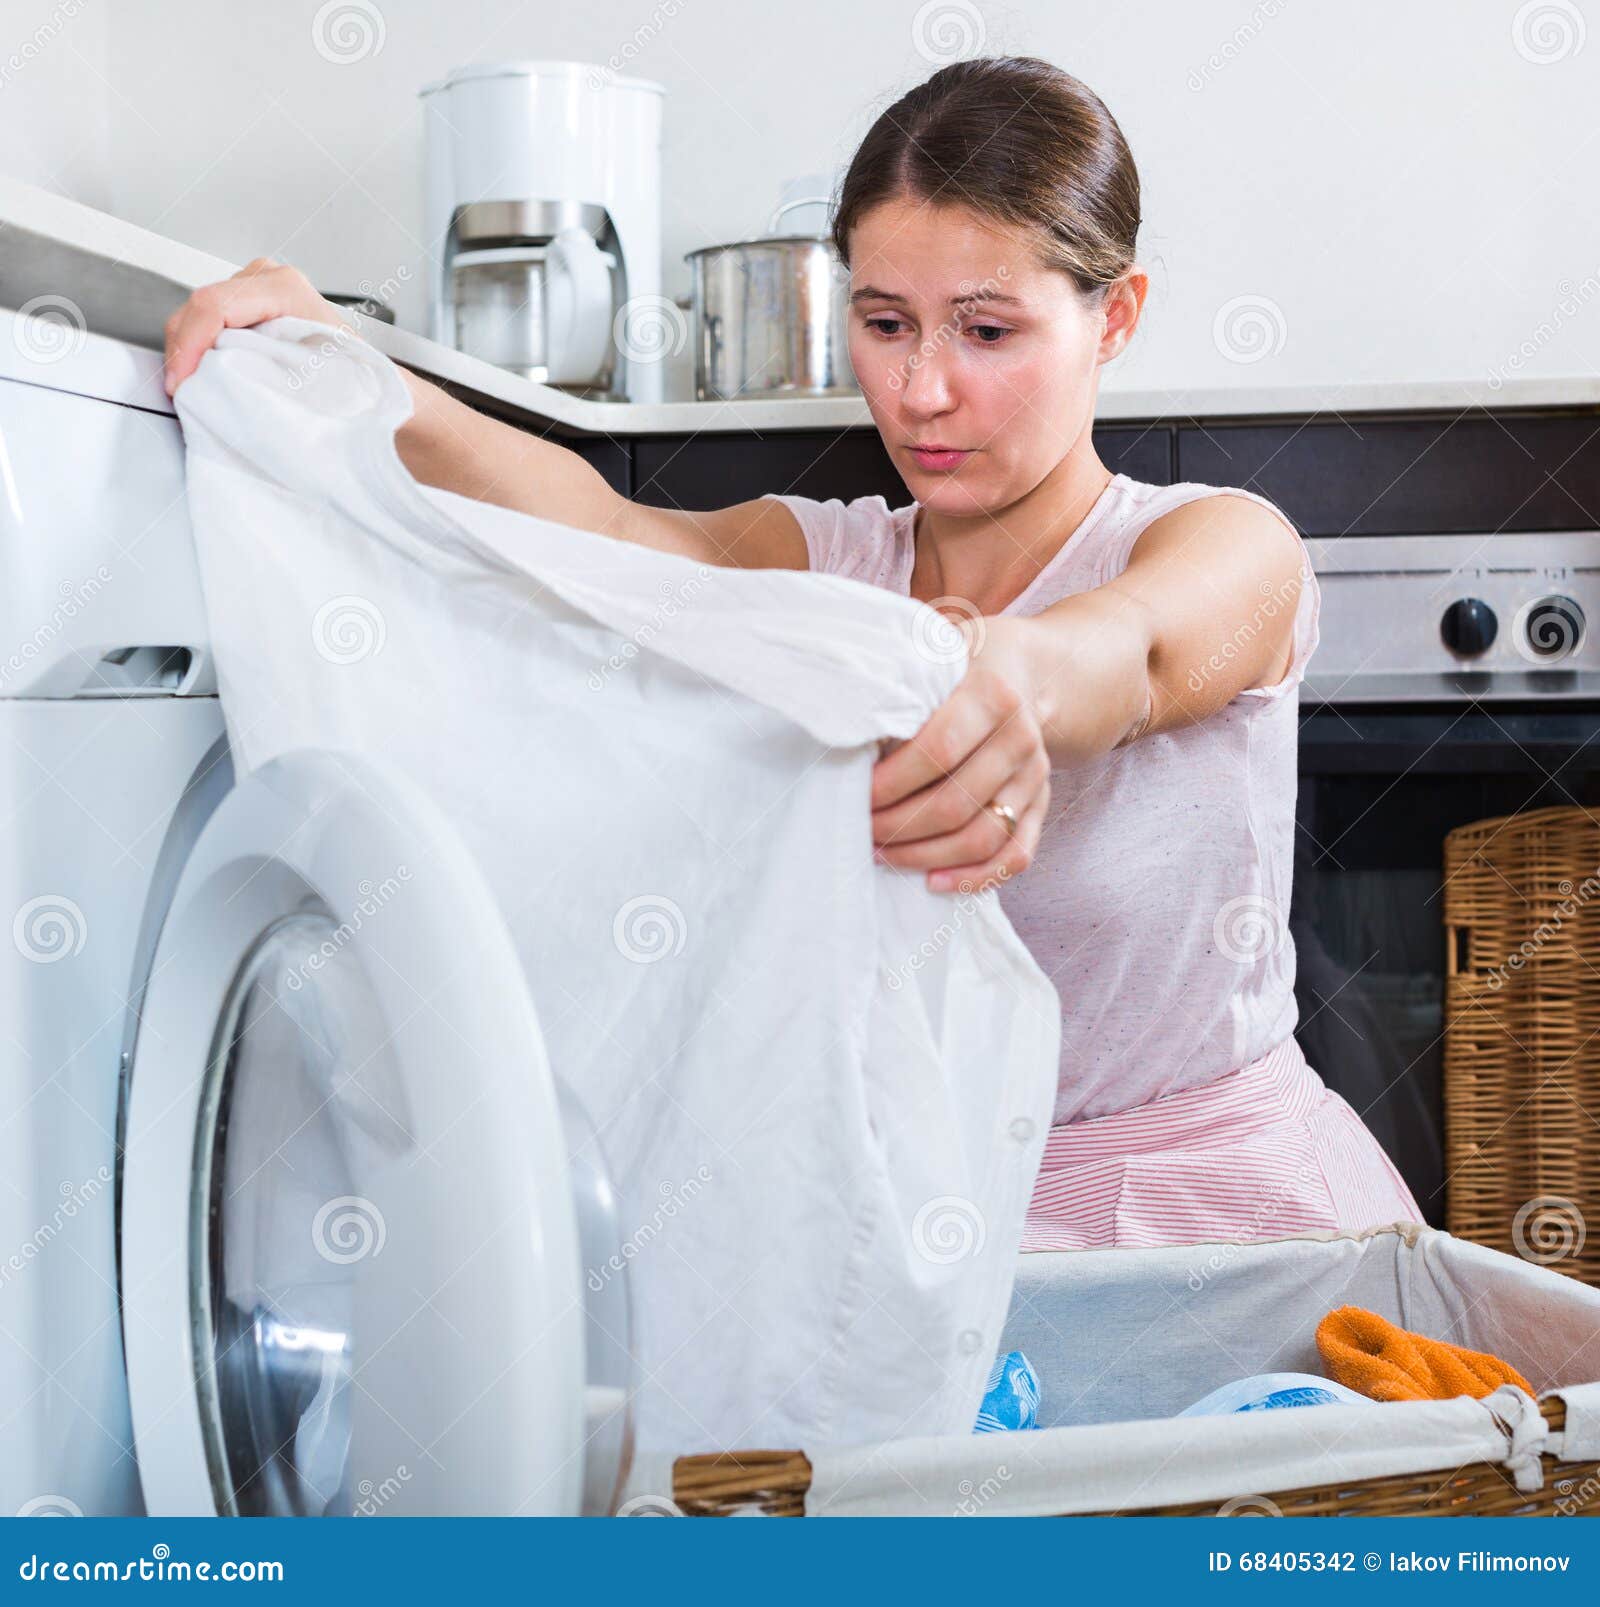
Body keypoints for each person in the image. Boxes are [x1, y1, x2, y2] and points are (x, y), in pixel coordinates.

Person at [163, 54, 1424, 1252]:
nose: (922, 391)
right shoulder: (832, 564)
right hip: (934, 1215)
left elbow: (1131, 654)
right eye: (886, 323)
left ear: (1116, 316)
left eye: (986, 332)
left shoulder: (1223, 545)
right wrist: (353, 370)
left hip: (1218, 1216)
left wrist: (1006, 678)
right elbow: (608, 529)